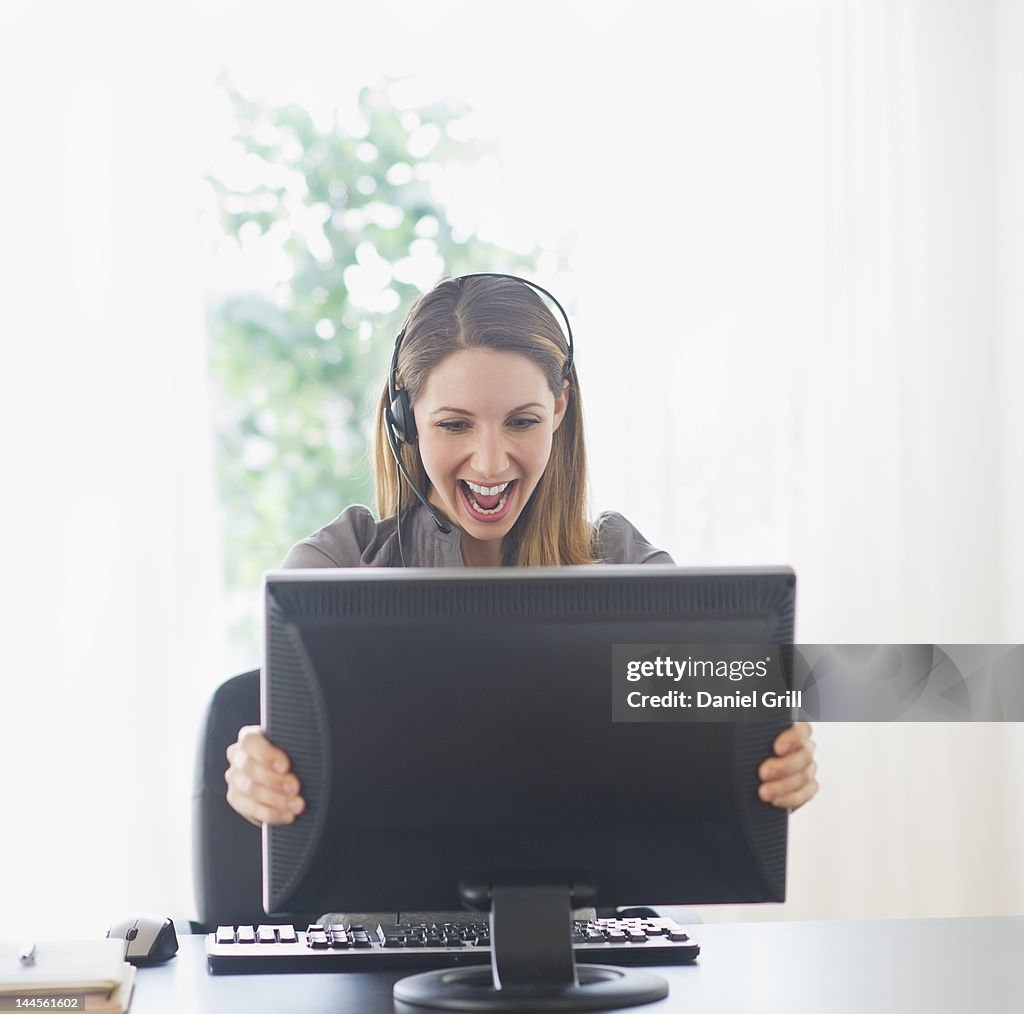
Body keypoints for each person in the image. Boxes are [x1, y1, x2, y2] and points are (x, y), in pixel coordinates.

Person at [225, 274, 818, 827]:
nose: (490, 462)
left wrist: (769, 758)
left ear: (558, 408)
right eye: (455, 425)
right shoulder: (335, 569)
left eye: (522, 422)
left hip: (580, 931)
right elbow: (291, 754)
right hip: (388, 935)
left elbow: (721, 723)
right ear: (407, 420)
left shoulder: (624, 566)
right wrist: (258, 778)